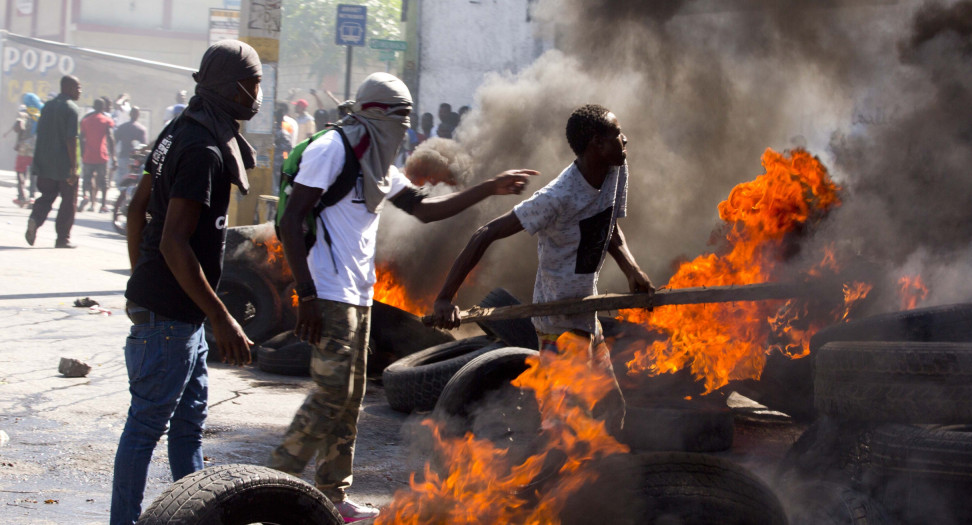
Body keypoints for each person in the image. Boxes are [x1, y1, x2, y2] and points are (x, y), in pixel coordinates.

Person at [267, 72, 536, 523]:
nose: (404, 127)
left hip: (358, 296)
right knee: (330, 396)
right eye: (400, 116)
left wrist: (488, 188)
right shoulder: (330, 150)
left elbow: (425, 210)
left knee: (350, 400)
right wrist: (307, 295)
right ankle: (269, 489)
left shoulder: (374, 162)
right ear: (375, 112)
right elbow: (293, 219)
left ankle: (333, 495)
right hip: (327, 295)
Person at [110, 40, 261, 525]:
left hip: (180, 316)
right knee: (146, 427)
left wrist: (143, 278)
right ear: (233, 87)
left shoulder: (181, 129)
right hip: (172, 319)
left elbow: (138, 210)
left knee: (188, 427)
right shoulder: (202, 150)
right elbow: (174, 242)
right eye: (255, 83)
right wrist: (223, 318)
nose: (258, 92)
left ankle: (193, 514)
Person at [430, 104, 654, 425]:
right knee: (563, 428)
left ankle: (589, 472)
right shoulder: (557, 197)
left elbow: (609, 228)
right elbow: (485, 233)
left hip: (586, 312)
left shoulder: (615, 168)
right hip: (558, 322)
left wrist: (633, 271)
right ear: (596, 143)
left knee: (611, 409)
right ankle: (540, 473)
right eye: (617, 134)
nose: (626, 140)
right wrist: (444, 298)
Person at [25, 75, 83, 248]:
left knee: (47, 196)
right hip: (65, 165)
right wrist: (73, 167)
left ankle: (35, 219)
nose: (80, 91)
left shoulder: (47, 107)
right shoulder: (71, 109)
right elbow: (71, 138)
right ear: (68, 87)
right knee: (68, 202)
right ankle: (62, 238)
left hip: (44, 163)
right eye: (78, 87)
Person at [80, 98, 116, 212]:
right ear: (103, 107)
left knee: (87, 178)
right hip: (101, 155)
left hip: (88, 155)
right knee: (103, 180)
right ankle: (103, 205)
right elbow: (110, 137)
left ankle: (86, 196)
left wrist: (82, 152)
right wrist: (113, 155)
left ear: (94, 107)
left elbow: (81, 138)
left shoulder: (85, 121)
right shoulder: (106, 121)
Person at [11, 93, 41, 207]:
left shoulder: (24, 112)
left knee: (20, 171)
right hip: (36, 147)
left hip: (24, 146)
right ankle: (32, 196)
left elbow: (19, 127)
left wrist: (17, 127)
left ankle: (21, 196)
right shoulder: (39, 113)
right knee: (33, 172)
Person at [112, 107, 148, 178]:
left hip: (123, 156)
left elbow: (114, 142)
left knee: (122, 179)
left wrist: (114, 156)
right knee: (132, 179)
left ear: (130, 114)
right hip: (135, 158)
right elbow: (144, 146)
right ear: (138, 115)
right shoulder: (141, 129)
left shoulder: (122, 127)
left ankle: (123, 189)